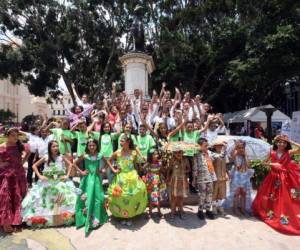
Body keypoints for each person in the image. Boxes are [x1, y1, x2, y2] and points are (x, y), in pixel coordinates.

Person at [252, 135, 300, 235]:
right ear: (276, 143)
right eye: (280, 142)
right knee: (272, 196)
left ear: (287, 144)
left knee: (285, 197)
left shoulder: (288, 152)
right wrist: (272, 164)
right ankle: (272, 214)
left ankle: (283, 215)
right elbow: (263, 163)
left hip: (285, 178)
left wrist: (290, 140)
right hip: (272, 177)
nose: (282, 144)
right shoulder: (272, 152)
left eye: (284, 142)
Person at [22, 140, 77, 227]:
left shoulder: (61, 157)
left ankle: (63, 217)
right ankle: (45, 219)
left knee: (64, 199)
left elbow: (70, 164)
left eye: (57, 146)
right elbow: (34, 165)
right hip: (47, 182)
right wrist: (40, 176)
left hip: (59, 181)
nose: (56, 148)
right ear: (49, 148)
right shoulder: (46, 157)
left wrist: (67, 175)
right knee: (45, 200)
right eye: (53, 146)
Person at [106, 135, 147, 226]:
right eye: (120, 141)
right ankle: (122, 216)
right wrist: (114, 170)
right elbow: (108, 160)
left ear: (128, 142)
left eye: (122, 141)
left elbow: (135, 164)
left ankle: (130, 216)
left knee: (132, 196)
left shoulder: (133, 153)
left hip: (132, 177)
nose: (120, 143)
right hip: (121, 177)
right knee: (121, 196)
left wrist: (138, 173)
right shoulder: (117, 152)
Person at [74, 139, 108, 236]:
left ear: (96, 146)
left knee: (98, 198)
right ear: (87, 146)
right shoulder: (85, 155)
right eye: (90, 145)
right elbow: (74, 163)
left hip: (96, 180)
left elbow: (107, 162)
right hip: (87, 180)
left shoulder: (99, 155)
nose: (92, 147)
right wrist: (81, 172)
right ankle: (85, 218)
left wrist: (102, 170)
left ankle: (96, 218)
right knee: (86, 198)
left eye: (93, 145)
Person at [0, 128, 28, 233]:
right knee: (7, 198)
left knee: (19, 195)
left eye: (16, 135)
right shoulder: (2, 147)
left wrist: (22, 163)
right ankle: (6, 222)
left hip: (19, 174)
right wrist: (4, 164)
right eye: (13, 135)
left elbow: (29, 152)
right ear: (7, 136)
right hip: (8, 175)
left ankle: (16, 220)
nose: (15, 137)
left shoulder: (19, 145)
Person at [227, 140, 254, 216]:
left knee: (244, 193)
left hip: (245, 175)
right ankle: (235, 208)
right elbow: (231, 158)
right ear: (236, 148)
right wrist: (236, 147)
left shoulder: (245, 156)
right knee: (236, 192)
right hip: (237, 175)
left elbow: (249, 165)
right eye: (239, 148)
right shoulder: (235, 154)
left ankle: (243, 208)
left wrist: (245, 156)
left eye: (242, 148)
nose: (241, 149)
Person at [193, 138, 217, 220]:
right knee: (202, 194)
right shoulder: (196, 155)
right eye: (205, 145)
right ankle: (200, 210)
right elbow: (195, 168)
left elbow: (219, 156)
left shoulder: (209, 153)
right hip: (201, 178)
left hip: (210, 176)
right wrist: (194, 179)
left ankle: (208, 210)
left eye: (207, 145)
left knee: (209, 194)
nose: (207, 147)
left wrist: (223, 149)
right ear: (200, 146)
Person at [167, 146, 189, 219]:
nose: (178, 154)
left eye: (180, 152)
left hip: (183, 180)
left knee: (181, 197)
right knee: (174, 197)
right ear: (174, 153)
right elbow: (169, 169)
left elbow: (189, 169)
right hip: (174, 180)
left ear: (182, 153)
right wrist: (168, 178)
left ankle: (181, 211)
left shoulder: (185, 160)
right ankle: (173, 212)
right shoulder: (172, 160)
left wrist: (184, 171)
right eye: (176, 152)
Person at [143, 150, 164, 218]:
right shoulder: (149, 163)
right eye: (154, 154)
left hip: (157, 182)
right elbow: (143, 168)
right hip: (150, 182)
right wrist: (147, 173)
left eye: (157, 154)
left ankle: (159, 211)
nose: (156, 156)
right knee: (151, 198)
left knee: (157, 197)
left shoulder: (159, 163)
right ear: (150, 156)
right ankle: (150, 212)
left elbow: (161, 171)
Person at [210, 140, 228, 216]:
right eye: (218, 146)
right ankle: (214, 206)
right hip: (215, 177)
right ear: (215, 147)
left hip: (223, 176)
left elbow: (226, 165)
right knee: (215, 192)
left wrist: (227, 174)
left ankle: (219, 206)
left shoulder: (224, 155)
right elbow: (210, 166)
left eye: (221, 146)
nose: (219, 147)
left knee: (222, 192)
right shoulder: (212, 155)